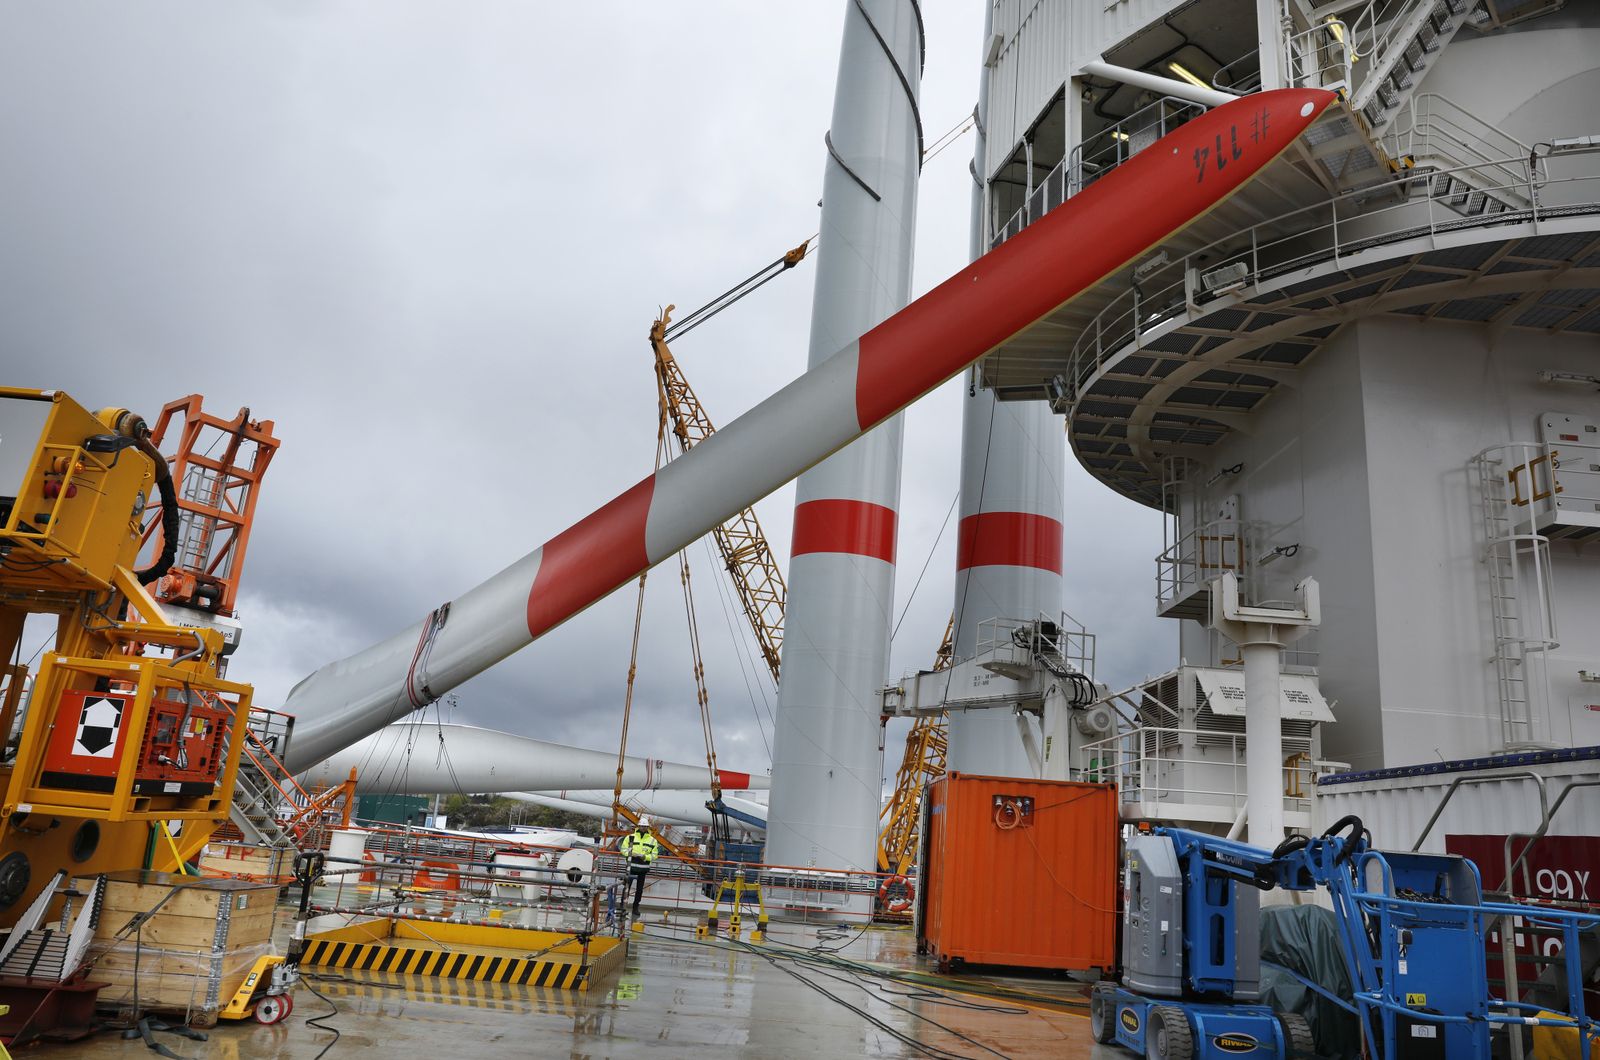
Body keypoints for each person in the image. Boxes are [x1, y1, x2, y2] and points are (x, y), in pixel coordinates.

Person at [619, 817, 660, 919]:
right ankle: (622, 906)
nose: (643, 828)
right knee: (626, 887)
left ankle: (635, 907)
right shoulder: (630, 837)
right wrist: (630, 854)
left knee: (639, 890)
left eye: (644, 826)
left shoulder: (652, 841)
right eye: (641, 826)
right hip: (631, 867)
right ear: (638, 826)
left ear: (647, 827)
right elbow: (623, 850)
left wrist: (645, 857)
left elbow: (654, 855)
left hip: (643, 869)